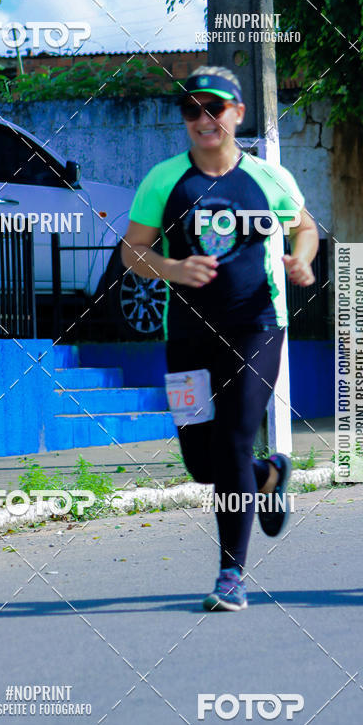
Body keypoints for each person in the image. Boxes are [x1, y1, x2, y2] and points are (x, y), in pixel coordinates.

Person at [121, 65, 319, 611]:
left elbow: (305, 227)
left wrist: (301, 260)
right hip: (187, 337)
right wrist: (172, 269)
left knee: (232, 441)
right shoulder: (164, 180)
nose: (203, 119)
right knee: (202, 463)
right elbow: (132, 251)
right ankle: (268, 475)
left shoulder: (267, 178)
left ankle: (231, 574)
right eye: (192, 110)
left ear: (238, 113)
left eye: (215, 108)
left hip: (257, 328)